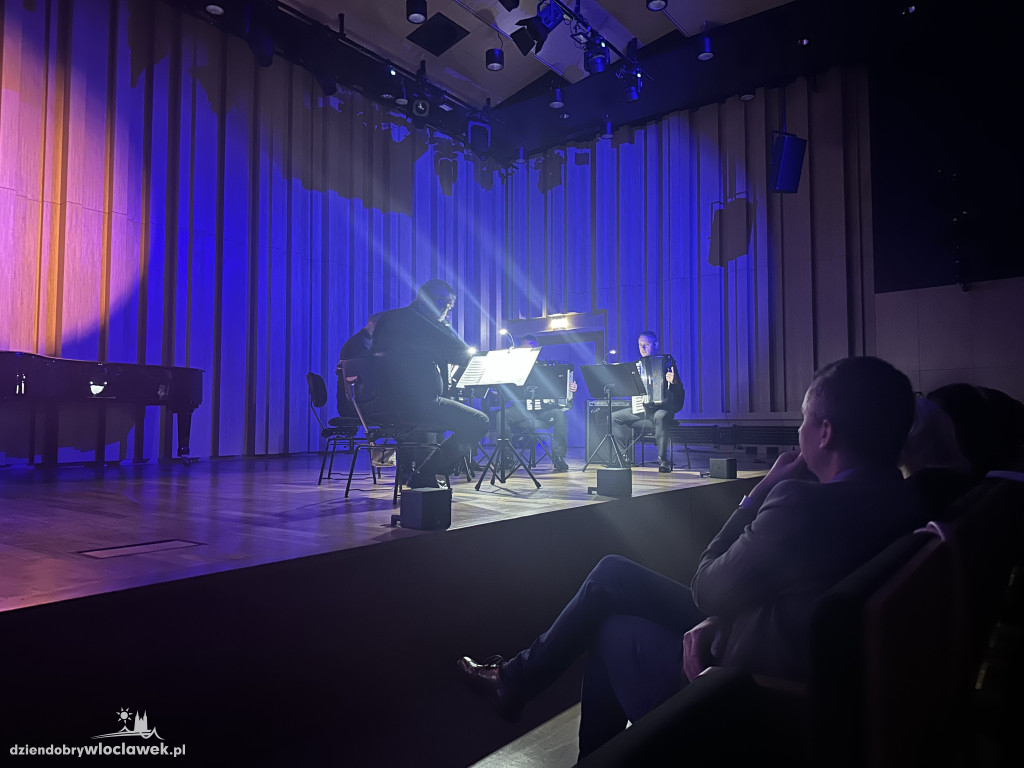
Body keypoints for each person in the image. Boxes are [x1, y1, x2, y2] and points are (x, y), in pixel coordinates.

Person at [457, 356, 917, 758]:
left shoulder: (801, 505)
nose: (799, 433)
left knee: (609, 623)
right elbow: (793, 588)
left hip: (746, 690)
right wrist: (722, 617)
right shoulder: (905, 500)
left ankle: (524, 692)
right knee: (612, 576)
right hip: (810, 676)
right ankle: (517, 684)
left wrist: (761, 491)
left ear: (825, 432)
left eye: (803, 419)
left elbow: (707, 587)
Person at [365, 279, 490, 489]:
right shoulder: (425, 323)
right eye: (449, 306)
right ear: (438, 301)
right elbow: (460, 353)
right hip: (417, 404)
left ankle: (413, 473)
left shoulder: (390, 318)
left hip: (381, 404)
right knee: (479, 422)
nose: (448, 312)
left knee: (435, 418)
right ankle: (426, 473)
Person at [486, 335, 578, 472]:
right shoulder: (513, 367)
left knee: (559, 415)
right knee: (502, 415)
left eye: (534, 347)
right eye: (527, 347)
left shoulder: (547, 368)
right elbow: (502, 391)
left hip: (544, 410)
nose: (531, 349)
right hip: (521, 410)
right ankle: (507, 457)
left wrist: (571, 389)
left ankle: (558, 457)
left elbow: (562, 391)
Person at [611, 330, 684, 472]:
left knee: (660, 415)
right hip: (643, 410)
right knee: (614, 417)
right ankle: (622, 457)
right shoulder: (636, 366)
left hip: (662, 410)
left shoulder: (667, 362)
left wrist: (674, 382)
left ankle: (663, 460)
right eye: (640, 345)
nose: (642, 348)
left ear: (655, 345)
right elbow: (629, 389)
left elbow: (679, 393)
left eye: (646, 344)